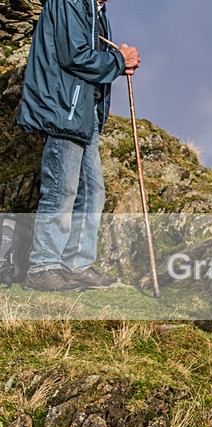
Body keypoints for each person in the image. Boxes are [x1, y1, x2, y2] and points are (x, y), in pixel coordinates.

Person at [16, 0, 141, 291]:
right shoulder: (68, 1)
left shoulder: (95, 9)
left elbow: (87, 57)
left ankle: (76, 265)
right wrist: (119, 61)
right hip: (65, 109)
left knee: (92, 189)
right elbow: (74, 56)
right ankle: (43, 266)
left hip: (84, 111)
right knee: (62, 187)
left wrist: (118, 61)